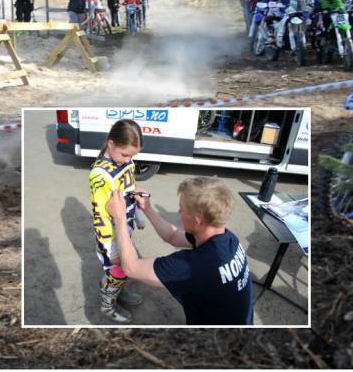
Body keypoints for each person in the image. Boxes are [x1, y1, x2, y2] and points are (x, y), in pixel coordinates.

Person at [106, 176, 254, 325]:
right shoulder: (228, 239)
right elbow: (173, 236)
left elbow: (131, 268)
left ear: (197, 219)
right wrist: (148, 209)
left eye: (182, 209)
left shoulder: (192, 266)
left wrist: (120, 218)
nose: (178, 211)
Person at [89, 119, 146, 323]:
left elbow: (130, 189)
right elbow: (100, 216)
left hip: (124, 227)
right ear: (111, 144)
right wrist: (110, 248)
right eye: (125, 154)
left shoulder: (124, 161)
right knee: (116, 270)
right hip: (111, 236)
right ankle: (107, 305)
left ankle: (119, 291)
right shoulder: (100, 175)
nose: (129, 159)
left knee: (125, 266)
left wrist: (137, 213)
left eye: (132, 155)